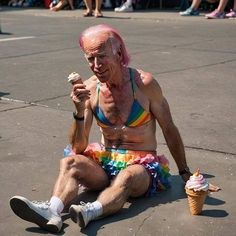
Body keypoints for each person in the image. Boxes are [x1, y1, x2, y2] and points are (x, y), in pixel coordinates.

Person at [9, 24, 220, 233]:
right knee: (70, 161)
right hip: (105, 163)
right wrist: (79, 111)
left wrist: (184, 172)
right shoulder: (91, 89)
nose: (96, 65)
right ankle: (52, 212)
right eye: (90, 58)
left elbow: (169, 128)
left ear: (118, 53)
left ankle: (91, 211)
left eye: (101, 56)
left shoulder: (144, 84)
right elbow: (78, 146)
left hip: (141, 167)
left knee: (127, 176)